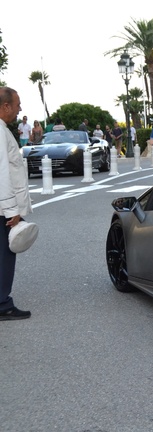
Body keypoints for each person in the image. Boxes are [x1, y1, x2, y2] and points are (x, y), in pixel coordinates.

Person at [0, 87, 33, 320]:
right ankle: (3, 305)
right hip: (3, 209)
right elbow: (2, 172)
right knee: (4, 256)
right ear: (5, 106)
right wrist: (13, 210)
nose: (20, 108)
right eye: (18, 104)